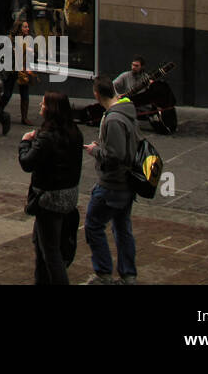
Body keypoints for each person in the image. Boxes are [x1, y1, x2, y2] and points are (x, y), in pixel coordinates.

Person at [19, 91, 84, 285]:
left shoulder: (47, 137)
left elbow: (27, 163)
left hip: (49, 199)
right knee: (41, 244)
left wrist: (24, 142)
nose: (40, 105)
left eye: (44, 104)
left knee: (50, 251)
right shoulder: (74, 133)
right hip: (68, 195)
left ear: (51, 109)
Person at [83, 75, 138, 285]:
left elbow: (115, 155)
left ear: (97, 95)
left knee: (93, 225)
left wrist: (96, 150)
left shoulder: (114, 119)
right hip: (126, 183)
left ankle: (103, 274)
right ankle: (128, 275)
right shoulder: (127, 112)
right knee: (122, 227)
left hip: (113, 183)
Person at [0, 18, 36, 124]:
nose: (27, 29)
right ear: (19, 28)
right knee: (7, 94)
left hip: (23, 69)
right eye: (25, 27)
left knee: (25, 94)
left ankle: (24, 117)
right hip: (12, 69)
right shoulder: (10, 39)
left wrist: (31, 54)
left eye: (28, 26)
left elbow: (33, 55)